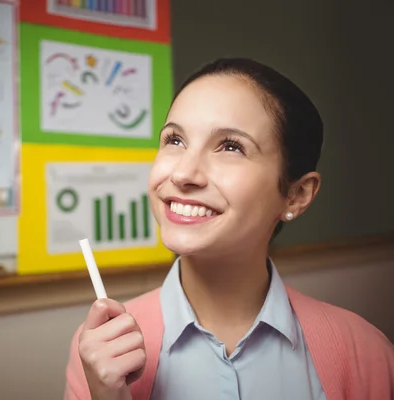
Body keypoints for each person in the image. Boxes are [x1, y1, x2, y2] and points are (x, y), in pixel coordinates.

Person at [64, 58, 394, 400]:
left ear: (296, 195)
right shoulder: (100, 351)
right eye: (174, 140)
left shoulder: (364, 353)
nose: (183, 174)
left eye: (231, 147)